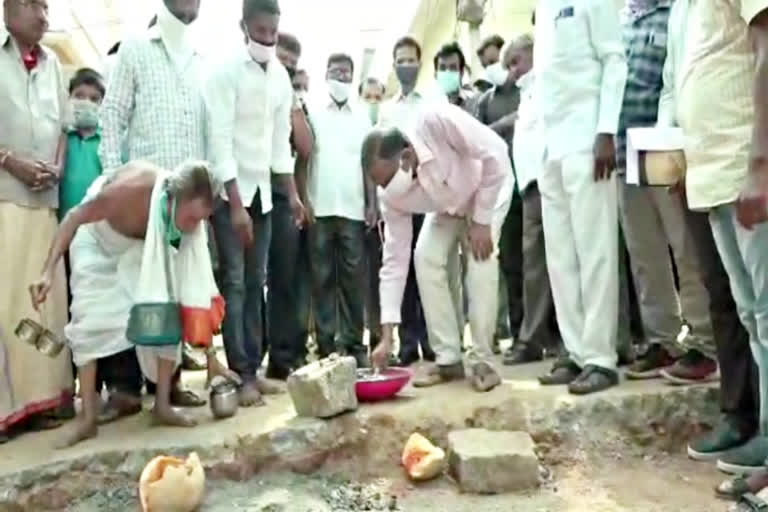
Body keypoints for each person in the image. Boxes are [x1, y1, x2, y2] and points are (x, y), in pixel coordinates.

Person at [29, 161, 240, 447]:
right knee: (89, 322)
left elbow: (190, 291)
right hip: (96, 239)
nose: (195, 227)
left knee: (169, 306)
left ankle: (162, 405)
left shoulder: (182, 223)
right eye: (191, 218)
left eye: (201, 220)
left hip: (143, 247)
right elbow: (74, 217)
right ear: (174, 199)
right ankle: (88, 419)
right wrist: (46, 272)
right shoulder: (128, 192)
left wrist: (211, 357)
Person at [668, 0, 768, 494]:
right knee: (751, 315)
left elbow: (766, 45)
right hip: (713, 174)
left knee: (766, 314)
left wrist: (760, 165)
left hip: (742, 166)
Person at [99, 0, 209, 410]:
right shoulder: (134, 48)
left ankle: (170, 385)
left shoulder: (201, 61)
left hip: (185, 205)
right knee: (132, 289)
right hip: (141, 197)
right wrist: (113, 183)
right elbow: (112, 117)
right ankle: (126, 387)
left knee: (174, 291)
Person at [363, 103, 514, 392]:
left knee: (480, 257)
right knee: (425, 256)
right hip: (448, 203)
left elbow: (496, 152)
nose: (384, 189)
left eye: (386, 180)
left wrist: (482, 220)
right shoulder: (391, 196)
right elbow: (394, 261)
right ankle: (448, 360)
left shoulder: (435, 121)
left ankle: (484, 361)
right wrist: (386, 336)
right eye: (377, 183)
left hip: (488, 186)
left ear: (406, 157)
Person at [206, 0, 304, 405]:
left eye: (273, 33)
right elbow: (220, 141)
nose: (267, 40)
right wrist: (234, 205)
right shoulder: (225, 72)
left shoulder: (280, 76)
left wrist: (294, 196)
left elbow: (280, 145)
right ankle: (241, 373)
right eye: (260, 32)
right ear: (243, 27)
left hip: (264, 195)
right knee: (234, 283)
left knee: (254, 281)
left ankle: (253, 370)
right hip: (231, 194)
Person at [616, 0, 717, 384]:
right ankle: (662, 341)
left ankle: (704, 343)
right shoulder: (622, 20)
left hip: (665, 144)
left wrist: (666, 141)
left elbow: (674, 82)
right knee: (644, 252)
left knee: (684, 246)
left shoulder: (678, 12)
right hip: (626, 152)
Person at [534, 0, 627, 394]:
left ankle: (600, 358)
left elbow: (614, 61)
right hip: (550, 147)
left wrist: (606, 129)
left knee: (596, 254)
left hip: (588, 140)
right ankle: (574, 353)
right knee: (560, 260)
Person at [0, 0, 73, 443]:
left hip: (44, 205)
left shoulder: (54, 67)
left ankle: (41, 402)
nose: (43, 15)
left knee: (41, 307)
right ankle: (6, 410)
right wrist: (11, 162)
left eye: (46, 6)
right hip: (5, 201)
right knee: (5, 307)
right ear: (7, 8)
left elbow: (63, 130)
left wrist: (57, 167)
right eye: (32, 4)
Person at [305, 53, 373, 367]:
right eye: (335, 71)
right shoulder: (313, 113)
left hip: (354, 208)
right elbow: (305, 160)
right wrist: (304, 201)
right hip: (319, 206)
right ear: (326, 75)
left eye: (346, 72)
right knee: (321, 280)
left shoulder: (363, 116)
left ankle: (355, 345)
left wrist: (372, 204)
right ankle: (326, 345)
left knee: (353, 281)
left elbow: (368, 163)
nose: (341, 77)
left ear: (353, 77)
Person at [498, 34, 560, 365]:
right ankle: (535, 337)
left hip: (547, 181)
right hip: (530, 187)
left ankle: (539, 338)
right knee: (534, 265)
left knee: (550, 264)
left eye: (516, 61)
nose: (512, 71)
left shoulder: (546, 81)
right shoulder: (528, 90)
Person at [376, 36, 434, 366]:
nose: (406, 66)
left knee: (429, 265)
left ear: (419, 62)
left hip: (428, 195)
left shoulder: (431, 101)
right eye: (401, 60)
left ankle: (432, 339)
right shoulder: (387, 110)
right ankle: (408, 342)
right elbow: (379, 161)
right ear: (394, 65)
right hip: (398, 198)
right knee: (403, 269)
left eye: (411, 59)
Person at [265, 31, 314, 379]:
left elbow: (306, 147)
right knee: (250, 282)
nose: (286, 68)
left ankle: (283, 356)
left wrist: (293, 100)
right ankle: (251, 358)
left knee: (285, 277)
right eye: (282, 61)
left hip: (283, 192)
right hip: (251, 188)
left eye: (292, 66)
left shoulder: (293, 98)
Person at [475, 37, 525, 359]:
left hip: (530, 184)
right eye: (489, 63)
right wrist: (505, 124)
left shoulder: (527, 93)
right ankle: (518, 334)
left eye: (502, 61)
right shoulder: (484, 102)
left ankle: (545, 334)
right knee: (510, 266)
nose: (498, 69)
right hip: (501, 192)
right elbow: (476, 141)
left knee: (538, 263)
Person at [359, 76, 386, 353]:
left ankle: (387, 336)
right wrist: (369, 204)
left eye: (378, 97)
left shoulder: (386, 129)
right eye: (368, 97)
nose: (373, 102)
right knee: (366, 279)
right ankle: (372, 334)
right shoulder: (356, 126)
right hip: (361, 215)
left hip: (389, 215)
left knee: (385, 275)